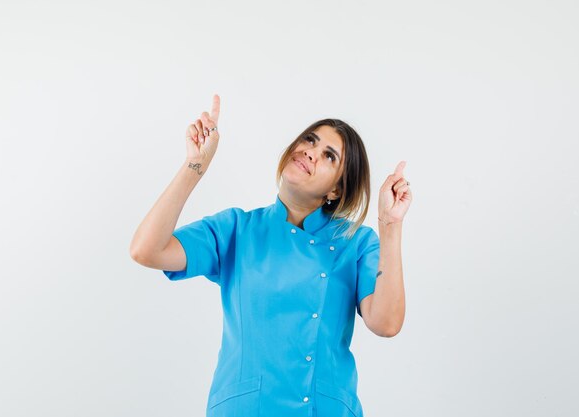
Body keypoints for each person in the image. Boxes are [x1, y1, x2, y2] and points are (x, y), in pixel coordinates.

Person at [130, 94, 412, 417]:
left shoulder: (355, 242)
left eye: (329, 156)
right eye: (310, 140)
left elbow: (387, 322)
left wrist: (390, 226)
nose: (311, 151)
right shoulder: (237, 229)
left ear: (336, 191)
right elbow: (146, 249)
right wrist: (195, 165)